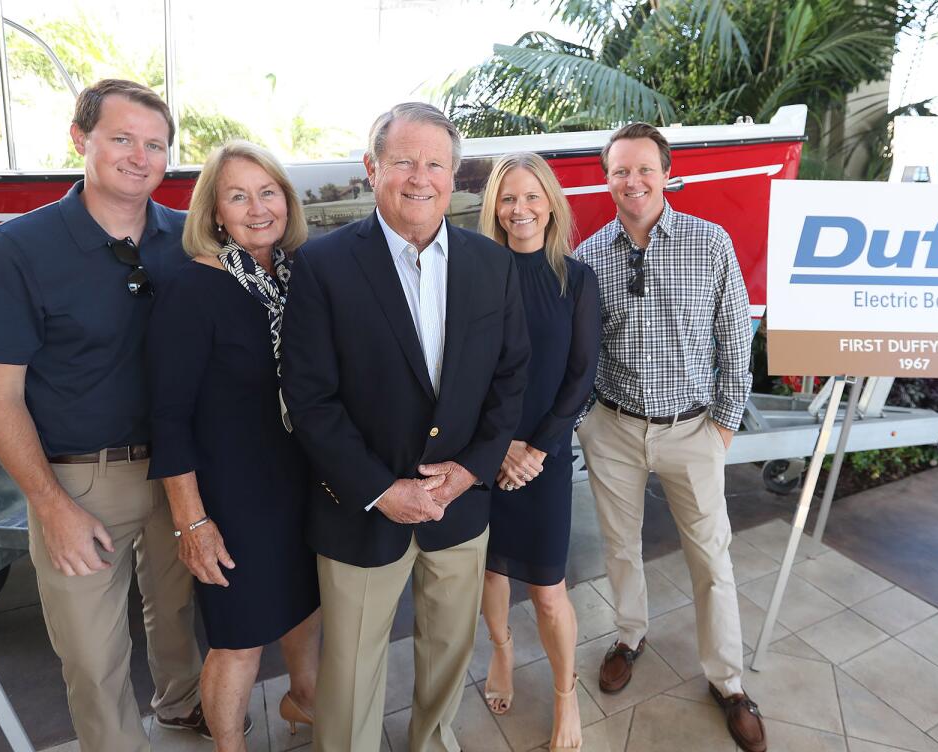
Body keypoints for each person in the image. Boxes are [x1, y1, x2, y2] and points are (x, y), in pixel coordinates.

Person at [0, 79, 203, 752]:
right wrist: (50, 505)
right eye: (122, 138)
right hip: (76, 482)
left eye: (155, 144)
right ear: (81, 139)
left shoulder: (186, 240)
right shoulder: (18, 247)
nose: (140, 156)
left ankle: (183, 711)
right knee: (94, 661)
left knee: (180, 619)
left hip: (179, 474)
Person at [280, 102, 530, 752]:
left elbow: (510, 379)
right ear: (372, 169)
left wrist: (473, 467)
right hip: (361, 512)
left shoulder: (491, 264)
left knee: (450, 654)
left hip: (460, 506)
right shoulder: (322, 266)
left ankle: (432, 743)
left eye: (435, 164)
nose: (420, 177)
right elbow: (310, 399)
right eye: (403, 161)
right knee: (352, 673)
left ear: (454, 176)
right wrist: (382, 488)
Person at [573, 123, 767, 752]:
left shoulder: (709, 243)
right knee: (620, 546)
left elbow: (735, 330)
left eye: (643, 169)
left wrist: (727, 416)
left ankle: (729, 681)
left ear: (666, 173)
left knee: (711, 557)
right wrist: (584, 419)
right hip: (614, 427)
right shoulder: (590, 256)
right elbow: (580, 349)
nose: (632, 182)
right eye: (619, 171)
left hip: (692, 428)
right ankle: (630, 635)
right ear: (608, 179)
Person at [146, 141, 322, 750]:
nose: (257, 208)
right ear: (215, 212)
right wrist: (191, 521)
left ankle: (306, 705)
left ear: (286, 200)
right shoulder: (193, 288)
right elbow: (168, 418)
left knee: (304, 608)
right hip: (233, 495)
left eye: (267, 192)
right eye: (238, 196)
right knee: (239, 638)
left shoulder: (298, 275)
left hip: (302, 479)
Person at [476, 153, 599, 752]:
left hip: (544, 456)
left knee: (549, 590)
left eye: (531, 196)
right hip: (488, 452)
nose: (519, 209)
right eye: (507, 198)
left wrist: (537, 450)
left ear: (550, 202)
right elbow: (464, 372)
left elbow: (580, 377)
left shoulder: (577, 280)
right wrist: (498, 449)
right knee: (491, 569)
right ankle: (502, 656)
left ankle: (564, 694)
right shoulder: (476, 273)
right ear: (493, 209)